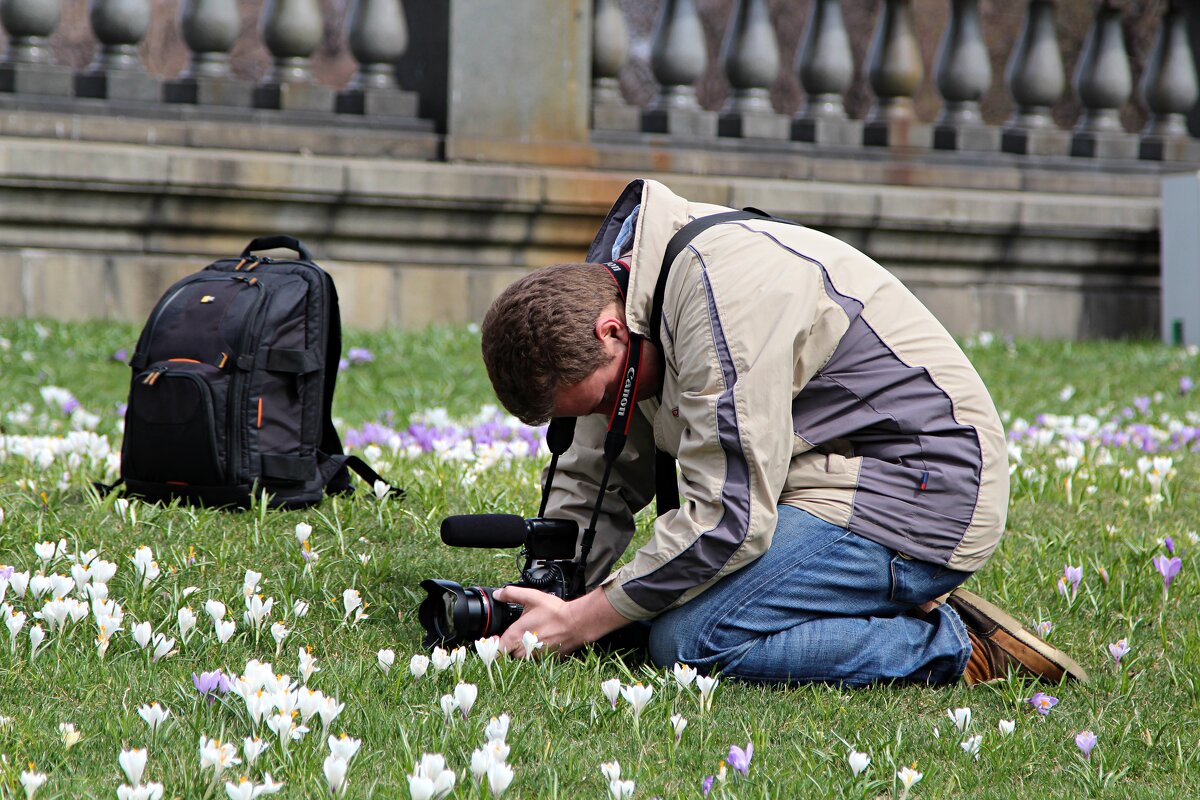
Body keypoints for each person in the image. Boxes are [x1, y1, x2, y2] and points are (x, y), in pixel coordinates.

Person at [480, 177, 1086, 686]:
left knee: (689, 641)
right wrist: (553, 586)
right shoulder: (626, 302)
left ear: (611, 332)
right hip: (823, 471)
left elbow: (730, 521)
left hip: (928, 490)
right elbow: (596, 473)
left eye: (608, 396)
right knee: (639, 612)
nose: (611, 410)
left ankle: (956, 646)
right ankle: (846, 592)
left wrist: (585, 619)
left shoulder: (722, 303)